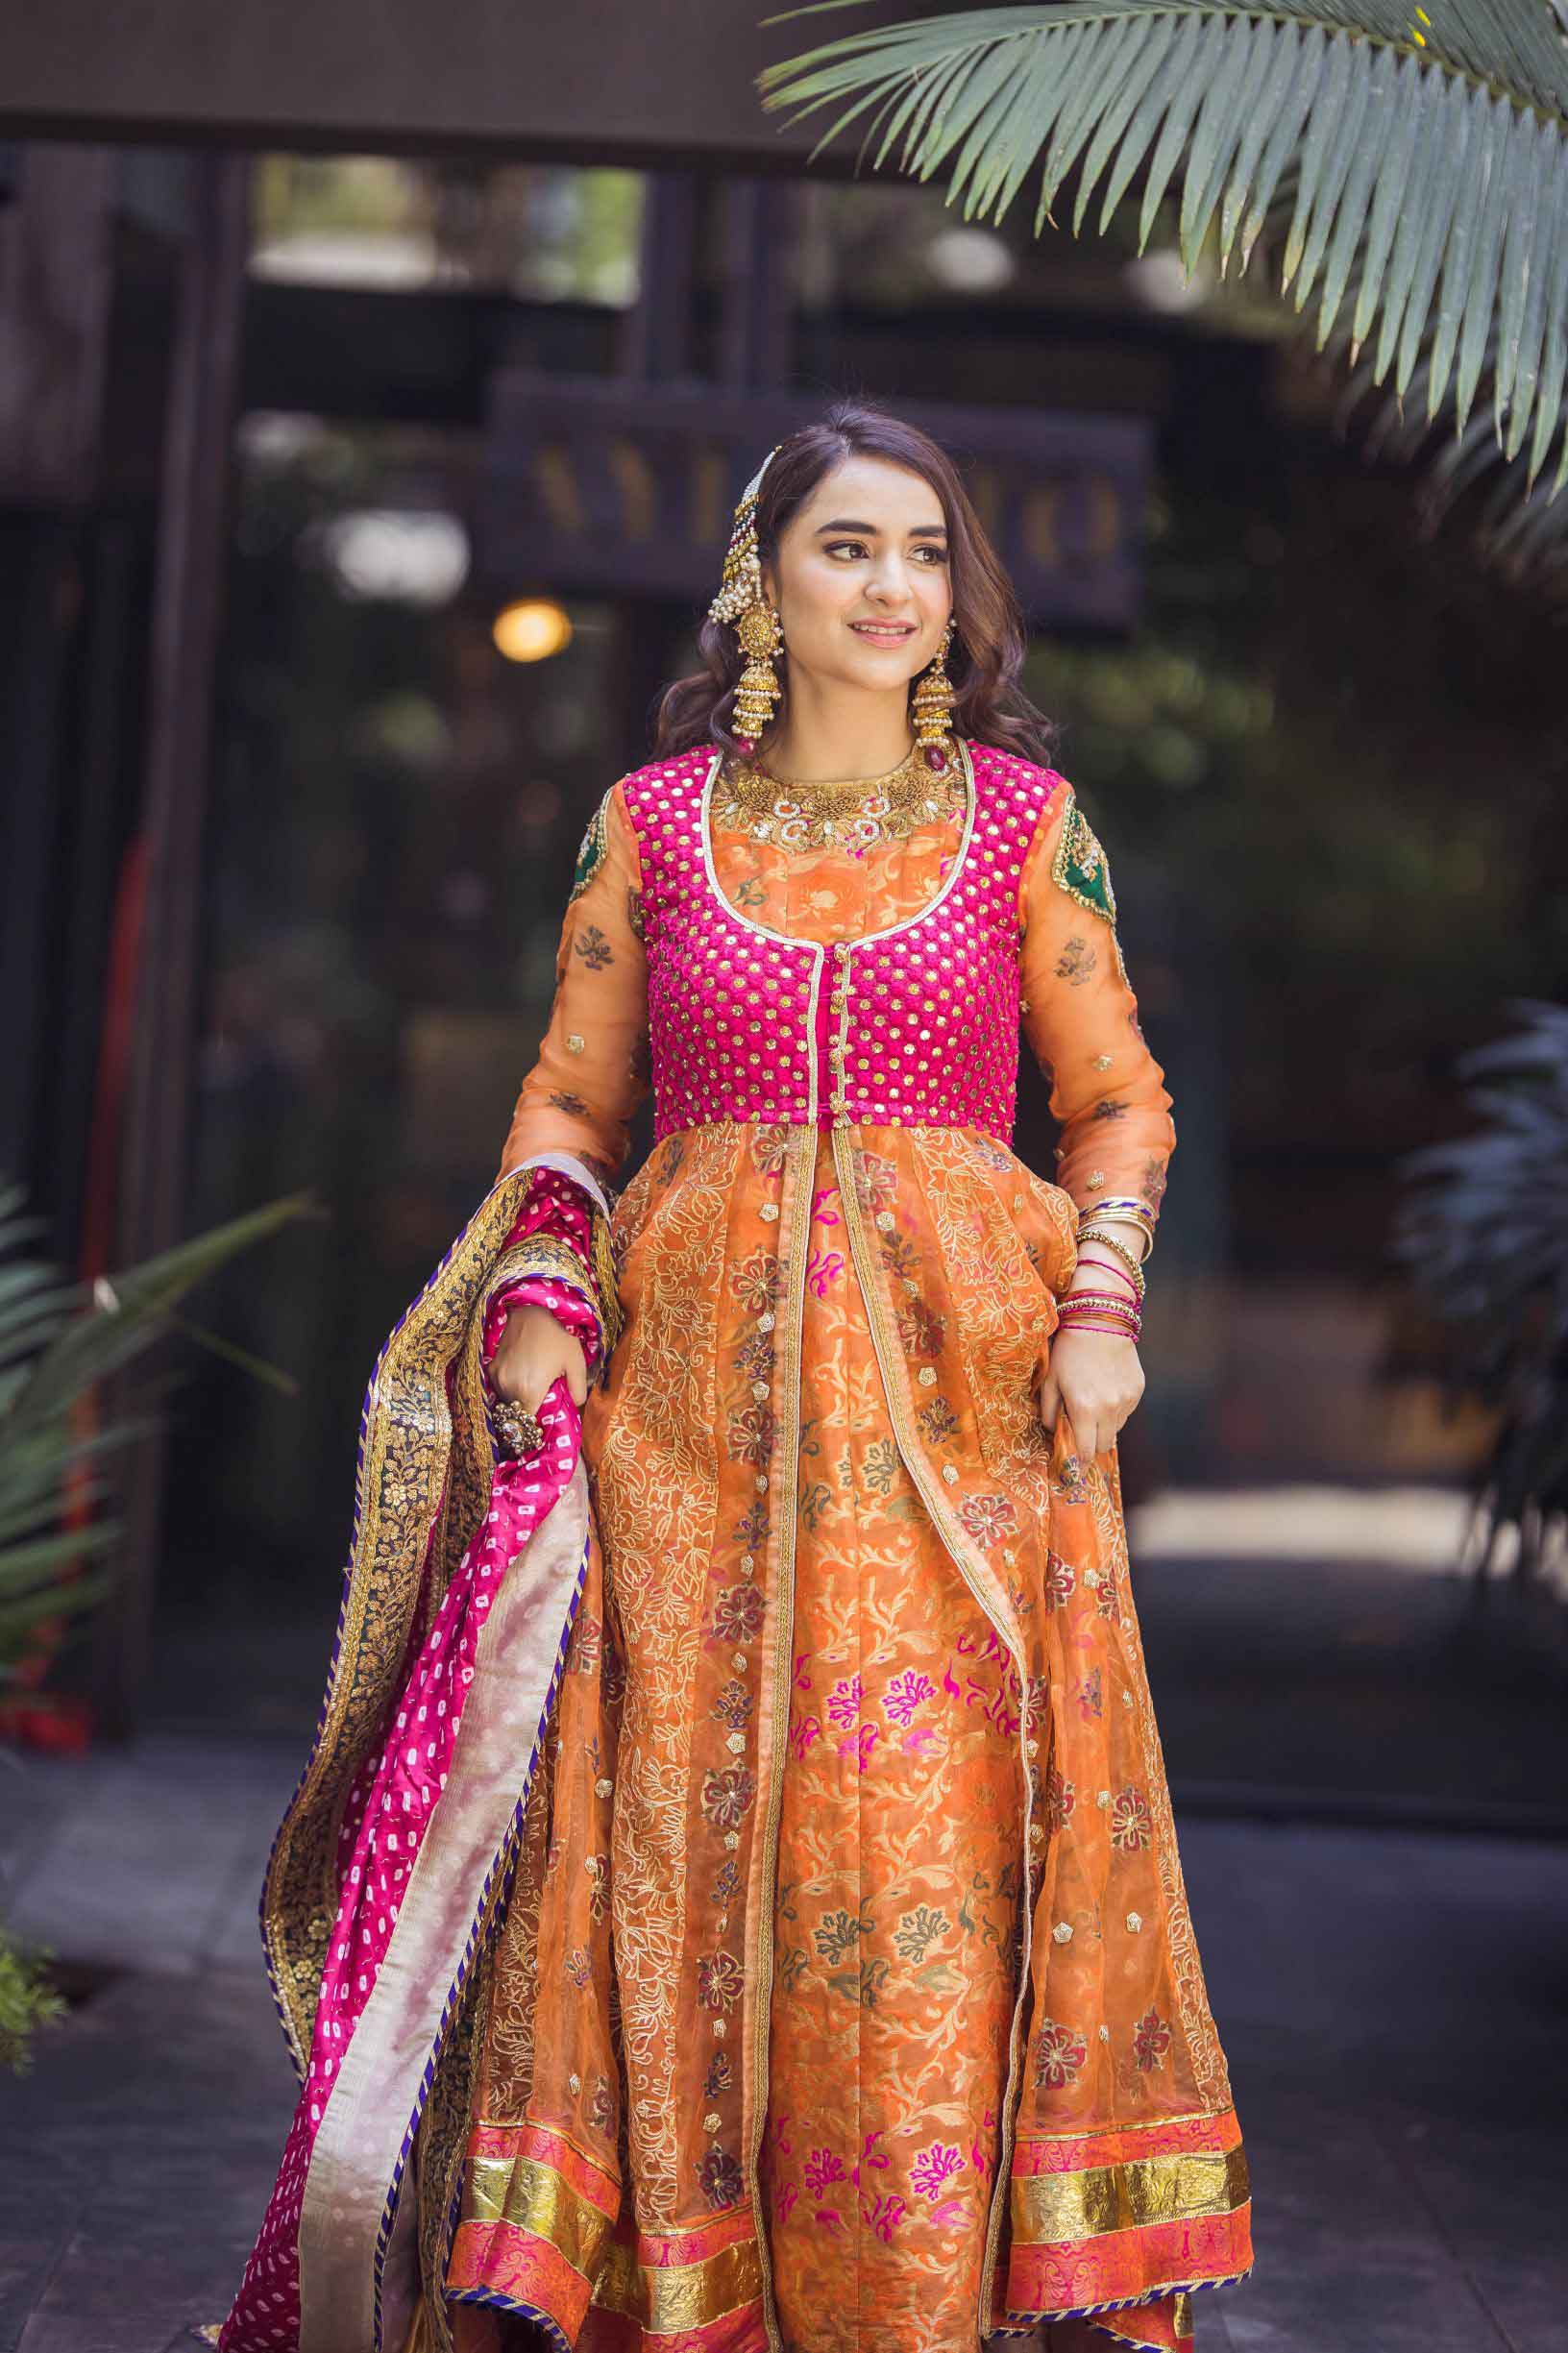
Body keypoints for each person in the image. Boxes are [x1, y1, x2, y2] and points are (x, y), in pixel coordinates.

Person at [208, 402, 1252, 2353]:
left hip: (965, 1415)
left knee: (920, 1850)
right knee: (665, 1832)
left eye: (928, 551)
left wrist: (1104, 1301)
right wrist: (538, 1274)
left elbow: (1115, 1103)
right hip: (679, 1406)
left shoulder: (1028, 828)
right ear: (764, 580)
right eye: (851, 546)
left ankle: (909, 2304)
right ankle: (655, 2285)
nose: (894, 587)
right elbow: (573, 1092)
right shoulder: (654, 821)